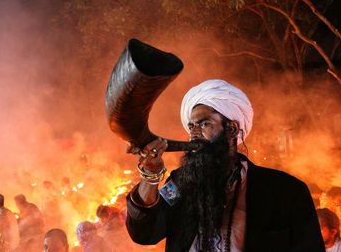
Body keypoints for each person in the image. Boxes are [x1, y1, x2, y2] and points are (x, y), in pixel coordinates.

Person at [125, 79, 325, 251]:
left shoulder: (285, 191)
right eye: (191, 126)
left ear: (232, 129)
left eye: (204, 124)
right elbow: (144, 233)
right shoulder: (179, 185)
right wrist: (150, 176)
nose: (194, 134)